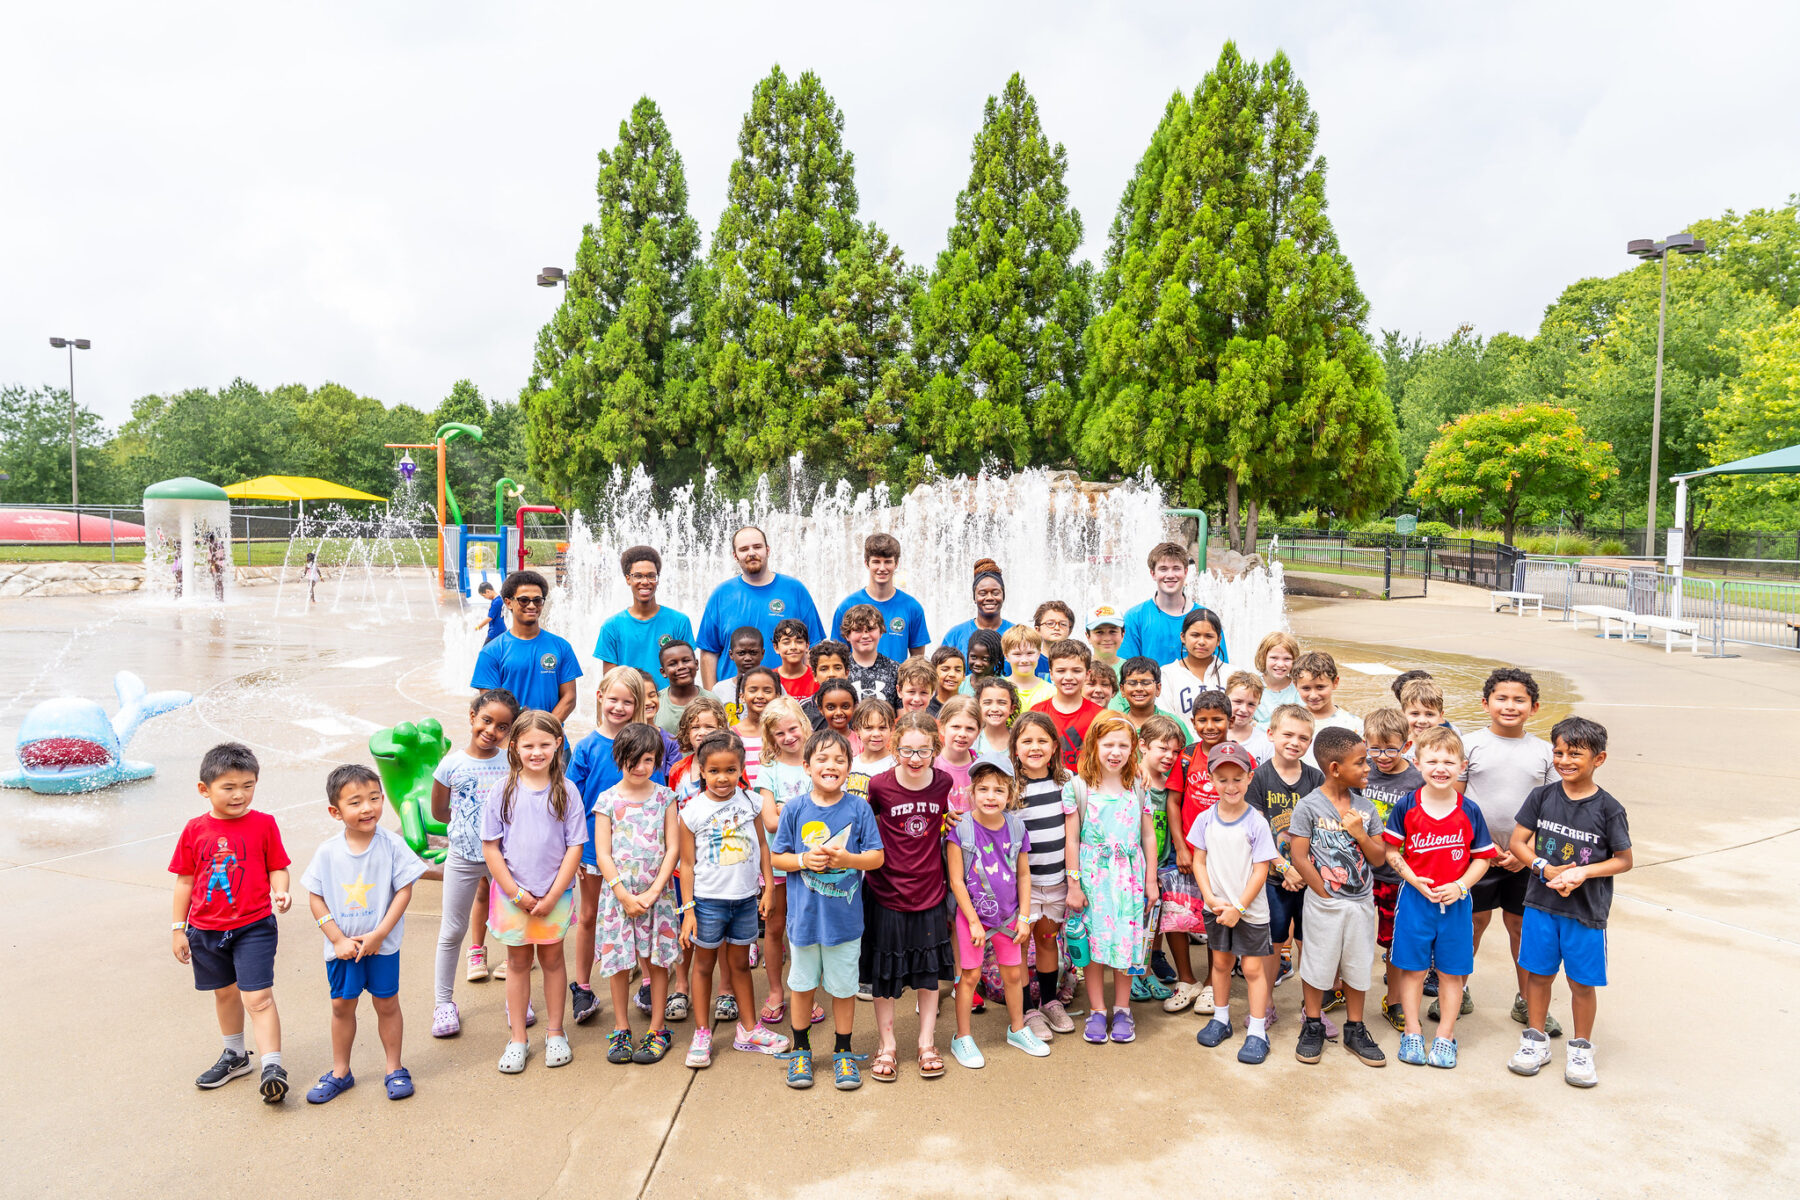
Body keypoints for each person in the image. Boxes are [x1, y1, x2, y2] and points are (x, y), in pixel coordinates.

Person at [1506, 716, 1632, 1088]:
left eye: (1575, 753)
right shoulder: (1542, 797)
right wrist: (1543, 869)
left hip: (1585, 913)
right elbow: (1518, 843)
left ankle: (1581, 1048)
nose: (1564, 760)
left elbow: (1624, 859)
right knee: (1538, 975)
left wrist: (1583, 873)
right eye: (1558, 752)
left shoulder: (1609, 808)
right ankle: (1535, 1040)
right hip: (1541, 906)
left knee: (1581, 983)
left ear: (1599, 759)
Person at [170, 742, 293, 1103]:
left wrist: (281, 891)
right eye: (229, 787)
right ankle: (235, 1056)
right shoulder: (195, 830)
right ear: (204, 790)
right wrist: (178, 928)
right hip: (205, 928)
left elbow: (277, 866)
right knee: (224, 993)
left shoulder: (264, 824)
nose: (240, 795)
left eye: (248, 785)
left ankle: (273, 1065)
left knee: (257, 997)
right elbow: (185, 881)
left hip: (253, 925)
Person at [301, 763, 427, 1103]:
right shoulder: (328, 852)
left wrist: (380, 933)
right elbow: (315, 896)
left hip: (382, 946)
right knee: (342, 1005)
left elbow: (404, 890)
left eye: (374, 798)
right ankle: (341, 1071)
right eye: (355, 802)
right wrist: (337, 939)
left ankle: (394, 1068)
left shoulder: (392, 845)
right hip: (343, 949)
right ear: (335, 811)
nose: (367, 808)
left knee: (387, 1004)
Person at [769, 729, 885, 1090]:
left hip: (845, 922)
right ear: (807, 766)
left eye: (839, 759)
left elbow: (877, 857)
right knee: (802, 986)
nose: (830, 765)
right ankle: (801, 1050)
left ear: (849, 768)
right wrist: (803, 859)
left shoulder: (858, 807)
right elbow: (777, 857)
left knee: (843, 988)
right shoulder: (794, 808)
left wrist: (848, 858)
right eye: (821, 758)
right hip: (803, 921)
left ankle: (843, 1051)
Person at [1382, 726, 1496, 1070]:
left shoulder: (1469, 810)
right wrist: (1412, 878)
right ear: (1417, 763)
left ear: (1462, 766)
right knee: (1413, 970)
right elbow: (1391, 850)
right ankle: (1413, 1030)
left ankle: (1446, 1035)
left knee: (1451, 972)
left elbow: (1483, 857)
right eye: (1432, 760)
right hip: (1416, 901)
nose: (1440, 768)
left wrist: (1461, 886)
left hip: (1456, 903)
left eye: (1448, 761)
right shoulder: (1408, 806)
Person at [480, 710, 587, 1074]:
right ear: (514, 747)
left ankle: (556, 1032)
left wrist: (554, 895)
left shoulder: (567, 791)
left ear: (558, 744)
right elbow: (491, 847)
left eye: (545, 744)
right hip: (513, 896)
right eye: (528, 745)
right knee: (517, 963)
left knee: (554, 961)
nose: (536, 752)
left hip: (554, 895)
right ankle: (518, 1039)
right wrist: (516, 894)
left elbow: (575, 847)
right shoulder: (502, 790)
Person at [1458, 667, 1559, 1033]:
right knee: (1472, 924)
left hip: (1526, 859)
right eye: (1502, 698)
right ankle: (1458, 989)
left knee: (1522, 927)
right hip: (1477, 855)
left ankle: (1527, 1000)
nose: (1510, 706)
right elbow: (1455, 801)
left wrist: (1526, 850)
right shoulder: (1469, 745)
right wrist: (1478, 848)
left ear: (1534, 708)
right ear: (1486, 704)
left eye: (1520, 700)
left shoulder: (1546, 752)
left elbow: (1552, 808)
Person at [677, 731, 787, 1067]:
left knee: (740, 964)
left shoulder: (752, 802)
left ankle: (749, 1030)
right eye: (714, 771)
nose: (722, 778)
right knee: (704, 965)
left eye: (730, 770)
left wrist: (768, 889)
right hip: (708, 902)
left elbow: (764, 848)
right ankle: (701, 1033)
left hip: (744, 900)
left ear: (741, 769)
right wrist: (689, 910)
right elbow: (687, 864)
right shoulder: (692, 812)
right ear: (701, 771)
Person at [860, 713, 959, 1081]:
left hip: (929, 891)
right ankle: (887, 1046)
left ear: (936, 749)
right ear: (893, 747)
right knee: (885, 975)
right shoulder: (880, 786)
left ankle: (926, 1043)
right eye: (907, 750)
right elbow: (866, 827)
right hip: (886, 891)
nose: (915, 758)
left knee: (928, 974)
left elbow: (947, 820)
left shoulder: (944, 782)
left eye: (923, 750)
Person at [1288, 726, 1387, 1068]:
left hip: (1360, 902)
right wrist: (1324, 892)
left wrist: (1359, 832)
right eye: (1360, 763)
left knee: (1359, 965)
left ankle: (1355, 1028)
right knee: (1317, 963)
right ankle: (1312, 1024)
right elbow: (1298, 855)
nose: (1367, 769)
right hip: (1325, 903)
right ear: (1334, 768)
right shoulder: (1309, 807)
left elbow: (1378, 857)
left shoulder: (1366, 808)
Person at [566, 667, 661, 1025]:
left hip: (641, 851)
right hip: (594, 849)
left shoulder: (648, 742)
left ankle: (649, 980)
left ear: (639, 704)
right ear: (599, 697)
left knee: (643, 917)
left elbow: (660, 795)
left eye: (628, 701)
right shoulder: (588, 746)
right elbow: (572, 800)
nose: (619, 707)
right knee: (589, 915)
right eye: (613, 699)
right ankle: (584, 986)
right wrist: (572, 848)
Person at [1064, 714, 1159, 1044]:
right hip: (1092, 878)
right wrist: (1073, 884)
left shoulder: (1139, 786)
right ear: (1094, 745)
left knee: (1125, 945)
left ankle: (1122, 1009)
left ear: (1133, 748)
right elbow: (1072, 839)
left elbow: (1148, 836)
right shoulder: (1077, 787)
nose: (1115, 752)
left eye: (1123, 745)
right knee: (1091, 947)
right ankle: (1097, 1010)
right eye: (1108, 744)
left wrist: (1151, 880)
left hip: (1129, 878)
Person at [592, 723, 683, 1066]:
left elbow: (672, 848)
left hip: (657, 897)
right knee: (620, 963)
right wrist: (624, 895)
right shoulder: (607, 800)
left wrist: (655, 890)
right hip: (618, 898)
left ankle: (658, 1029)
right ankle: (621, 1028)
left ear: (658, 760)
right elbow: (603, 853)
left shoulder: (665, 798)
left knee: (658, 960)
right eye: (633, 759)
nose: (640, 766)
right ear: (619, 758)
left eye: (648, 759)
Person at [430, 688, 519, 1038]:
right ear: (472, 717)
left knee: (514, 930)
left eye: (502, 726)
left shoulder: (510, 761)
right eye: (486, 720)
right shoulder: (450, 764)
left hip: (507, 858)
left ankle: (518, 998)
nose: (491, 731)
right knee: (452, 930)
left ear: (509, 732)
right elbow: (439, 812)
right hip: (463, 858)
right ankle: (443, 1004)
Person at [948, 754, 1046, 1067]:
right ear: (972, 792)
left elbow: (1024, 875)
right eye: (984, 789)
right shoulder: (961, 829)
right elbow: (956, 881)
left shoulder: (1017, 828)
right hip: (972, 918)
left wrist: (1025, 916)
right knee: (970, 976)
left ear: (1010, 795)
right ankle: (962, 1037)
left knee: (1014, 974)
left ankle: (1017, 1028)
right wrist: (974, 922)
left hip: (1009, 917)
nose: (991, 796)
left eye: (999, 790)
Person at [1190, 743, 1278, 1064]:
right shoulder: (1204, 819)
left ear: (1250, 777)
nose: (1230, 786)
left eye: (1237, 778)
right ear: (1211, 779)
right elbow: (1199, 861)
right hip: (1216, 908)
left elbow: (1261, 869)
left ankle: (1257, 1030)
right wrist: (1210, 898)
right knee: (1221, 965)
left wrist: (1238, 907)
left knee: (1253, 969)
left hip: (1249, 911)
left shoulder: (1256, 822)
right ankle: (1222, 1018)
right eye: (1222, 778)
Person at [1246, 704, 1322, 1017]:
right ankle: (1265, 1005)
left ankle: (1314, 1008)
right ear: (1271, 734)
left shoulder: (1316, 779)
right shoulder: (1260, 777)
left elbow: (1322, 830)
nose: (1294, 742)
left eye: (1303, 738)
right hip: (1274, 878)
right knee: (1274, 943)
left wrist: (1302, 871)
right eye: (1287, 734)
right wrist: (1284, 867)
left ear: (1310, 743)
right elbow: (1257, 830)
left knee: (1310, 943)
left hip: (1310, 878)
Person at [1010, 712, 1077, 1040]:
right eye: (1027, 741)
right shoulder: (1010, 787)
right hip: (1025, 886)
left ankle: (1049, 1001)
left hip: (1058, 883)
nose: (1034, 747)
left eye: (1042, 741)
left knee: (1048, 942)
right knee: (1022, 947)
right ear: (1016, 747)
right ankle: (1027, 1009)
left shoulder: (1068, 783)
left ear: (1054, 746)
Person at [1163, 689, 1231, 1007]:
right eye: (1202, 720)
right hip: (1189, 854)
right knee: (1177, 912)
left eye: (1217, 719)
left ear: (1229, 721)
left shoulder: (1238, 758)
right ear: (1193, 722)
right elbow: (1173, 802)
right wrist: (1180, 847)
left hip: (1223, 856)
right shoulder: (1188, 756)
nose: (1210, 725)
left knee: (1215, 914)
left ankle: (1212, 983)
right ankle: (1185, 979)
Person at [1361, 706, 1426, 1031]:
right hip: (1359, 870)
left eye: (1391, 748)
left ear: (1407, 745)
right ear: (1365, 743)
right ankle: (1340, 987)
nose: (1382, 756)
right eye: (1375, 749)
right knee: (1354, 935)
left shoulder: (1416, 781)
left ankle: (1395, 999)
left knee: (1394, 940)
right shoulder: (1360, 771)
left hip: (1395, 876)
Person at [697, 525, 824, 688]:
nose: (751, 553)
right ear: (735, 556)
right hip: (735, 702)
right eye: (744, 549)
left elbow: (813, 646)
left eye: (757, 547)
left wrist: (812, 692)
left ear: (768, 550)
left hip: (788, 695)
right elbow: (709, 652)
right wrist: (712, 699)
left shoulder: (795, 590)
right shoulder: (721, 595)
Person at [756, 697, 815, 1028]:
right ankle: (777, 991)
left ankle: (805, 992)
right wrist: (798, 807)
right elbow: (771, 821)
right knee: (776, 929)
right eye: (780, 733)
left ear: (804, 725)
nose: (789, 737)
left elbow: (828, 810)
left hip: (813, 865)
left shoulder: (815, 762)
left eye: (793, 728)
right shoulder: (768, 770)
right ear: (771, 737)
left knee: (805, 931)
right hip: (778, 866)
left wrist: (784, 806)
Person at [470, 571, 581, 722]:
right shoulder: (491, 652)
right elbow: (488, 705)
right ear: (508, 602)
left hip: (552, 741)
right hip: (510, 742)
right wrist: (519, 734)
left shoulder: (561, 647)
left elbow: (569, 697)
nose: (531, 605)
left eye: (537, 600)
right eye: (523, 600)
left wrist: (543, 731)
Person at [1140, 715, 1193, 1010]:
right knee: (1139, 918)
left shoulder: (1174, 780)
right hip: (1139, 863)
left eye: (1176, 752)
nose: (1170, 757)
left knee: (1156, 920)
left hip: (1166, 861)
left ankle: (1147, 969)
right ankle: (1136, 972)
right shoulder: (1135, 778)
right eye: (1163, 749)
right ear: (1143, 746)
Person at [597, 546, 695, 691]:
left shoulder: (679, 621)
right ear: (628, 579)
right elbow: (610, 682)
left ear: (657, 579)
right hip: (630, 705)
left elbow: (687, 673)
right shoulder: (611, 627)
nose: (645, 581)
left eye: (651, 575)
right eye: (638, 576)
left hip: (669, 704)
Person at [831, 532, 931, 661]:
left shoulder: (912, 607)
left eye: (888, 562)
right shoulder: (847, 606)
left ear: (896, 564)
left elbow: (917, 661)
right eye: (876, 562)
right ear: (867, 563)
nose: (882, 568)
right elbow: (837, 657)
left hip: (897, 681)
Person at [1031, 638, 1104, 772]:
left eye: (1076, 671)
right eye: (1061, 671)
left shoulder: (1100, 716)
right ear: (1051, 674)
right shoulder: (1037, 713)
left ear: (1087, 675)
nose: (1069, 677)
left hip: (1087, 788)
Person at [1120, 541, 1197, 666]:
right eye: (1163, 569)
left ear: (1186, 572)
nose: (1170, 575)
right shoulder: (1135, 617)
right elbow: (1127, 669)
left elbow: (1218, 667)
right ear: (1153, 574)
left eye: (1176, 568)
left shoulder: (1204, 617)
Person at [1293, 650, 1361, 768]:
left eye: (1320, 687)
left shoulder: (1354, 725)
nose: (1313, 695)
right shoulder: (1289, 722)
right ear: (1295, 685)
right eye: (1306, 688)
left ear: (1335, 682)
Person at [939, 559, 1016, 662]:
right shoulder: (956, 635)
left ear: (1003, 596)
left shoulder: (1016, 634)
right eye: (983, 593)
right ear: (974, 597)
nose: (989, 597)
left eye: (995, 593)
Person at [1158, 608, 1229, 717]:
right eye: (1195, 635)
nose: (1201, 642)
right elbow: (1166, 721)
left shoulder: (1232, 674)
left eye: (1209, 636)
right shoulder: (1166, 674)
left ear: (1219, 640)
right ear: (1183, 637)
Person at [1107, 657, 1195, 744]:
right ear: (1122, 690)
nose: (1139, 688)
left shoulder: (1174, 723)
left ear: (1158, 688)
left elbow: (1189, 755)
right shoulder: (1113, 723)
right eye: (1132, 683)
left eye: (1146, 683)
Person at [728, 666, 780, 790]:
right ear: (742, 696)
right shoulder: (732, 735)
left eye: (767, 691)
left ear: (777, 696)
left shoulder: (783, 733)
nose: (760, 696)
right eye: (753, 690)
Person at [841, 604, 901, 709]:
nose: (865, 636)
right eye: (858, 630)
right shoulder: (839, 668)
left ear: (881, 632)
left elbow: (901, 715)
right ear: (847, 635)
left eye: (870, 629)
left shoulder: (895, 670)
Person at [654, 640, 715, 737]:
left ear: (696, 664)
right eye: (673, 664)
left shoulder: (712, 700)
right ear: (663, 672)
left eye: (686, 661)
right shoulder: (656, 702)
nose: (681, 667)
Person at [711, 626, 768, 724]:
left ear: (762, 653)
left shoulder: (773, 687)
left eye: (753, 652)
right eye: (741, 653)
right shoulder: (719, 689)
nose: (747, 658)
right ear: (731, 654)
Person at [935, 696, 981, 818]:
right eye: (956, 727)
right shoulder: (930, 764)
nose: (962, 734)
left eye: (970, 729)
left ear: (978, 732)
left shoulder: (982, 765)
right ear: (942, 728)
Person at [846, 697, 896, 800]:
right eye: (868, 728)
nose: (876, 734)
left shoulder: (895, 767)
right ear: (857, 729)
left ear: (891, 729)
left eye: (882, 728)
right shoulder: (850, 764)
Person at [1251, 632, 1301, 727]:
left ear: (1295, 661)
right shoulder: (1252, 685)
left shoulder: (1298, 689)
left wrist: (1256, 725)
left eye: (1287, 659)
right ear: (1263, 658)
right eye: (1274, 658)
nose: (1280, 664)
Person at [1224, 671, 1274, 763]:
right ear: (1226, 699)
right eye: (1238, 701)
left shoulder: (1266, 743)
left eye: (1251, 704)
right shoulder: (1212, 737)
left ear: (1258, 704)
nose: (1244, 709)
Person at [799, 641, 852, 728]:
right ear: (815, 675)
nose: (831, 674)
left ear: (846, 673)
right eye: (824, 669)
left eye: (837, 668)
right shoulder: (804, 708)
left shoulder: (856, 707)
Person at [1002, 626, 1053, 711]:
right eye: (1017, 654)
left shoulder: (1051, 692)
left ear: (1039, 653)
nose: (1024, 660)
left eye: (1030, 653)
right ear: (1006, 656)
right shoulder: (997, 690)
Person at [771, 618, 819, 700]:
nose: (793, 647)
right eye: (786, 642)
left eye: (799, 642)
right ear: (776, 648)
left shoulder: (817, 678)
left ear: (807, 646)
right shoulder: (769, 679)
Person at [972, 675, 1019, 756]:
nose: (994, 709)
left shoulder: (1019, 740)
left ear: (1012, 708)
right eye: (987, 702)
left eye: (1002, 703)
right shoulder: (972, 740)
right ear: (978, 707)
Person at [807, 678, 859, 746]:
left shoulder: (862, 740)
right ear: (821, 709)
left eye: (845, 706)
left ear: (854, 707)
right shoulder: (815, 743)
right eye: (831, 707)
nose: (838, 712)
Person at [1400, 676, 1448, 747]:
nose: (1422, 721)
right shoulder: (1396, 745)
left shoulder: (1448, 745)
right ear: (1403, 714)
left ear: (1440, 716)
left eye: (1429, 714)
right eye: (1415, 713)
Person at [1033, 600, 1076, 675]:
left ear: (1070, 631)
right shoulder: (1030, 661)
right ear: (1037, 629)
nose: (1056, 627)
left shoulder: (1077, 662)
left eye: (1063, 624)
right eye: (1050, 623)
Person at [957, 629, 1005, 693]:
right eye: (973, 657)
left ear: (996, 660)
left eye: (985, 659)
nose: (978, 663)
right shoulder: (960, 684)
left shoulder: (1004, 686)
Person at [1085, 604, 1125, 678]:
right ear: (1088, 636)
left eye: (1112, 631)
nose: (1107, 638)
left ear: (1122, 635)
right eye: (1099, 632)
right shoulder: (1079, 670)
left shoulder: (1132, 670)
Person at [929, 645, 966, 714]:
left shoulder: (968, 707)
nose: (952, 674)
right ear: (934, 673)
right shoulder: (926, 708)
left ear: (964, 675)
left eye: (958, 670)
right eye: (945, 669)